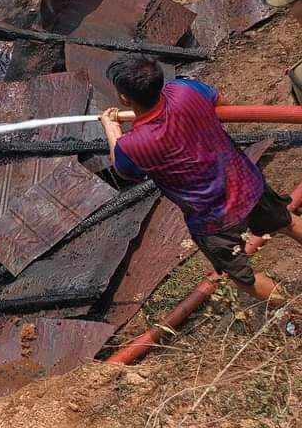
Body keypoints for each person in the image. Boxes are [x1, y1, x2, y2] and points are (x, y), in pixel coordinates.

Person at [98, 54, 302, 304]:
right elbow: (223, 107)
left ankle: (294, 307)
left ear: (125, 98)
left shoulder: (134, 145)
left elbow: (123, 169)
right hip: (247, 185)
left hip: (213, 220)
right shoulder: (185, 89)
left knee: (243, 277)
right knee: (289, 223)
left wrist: (111, 127)